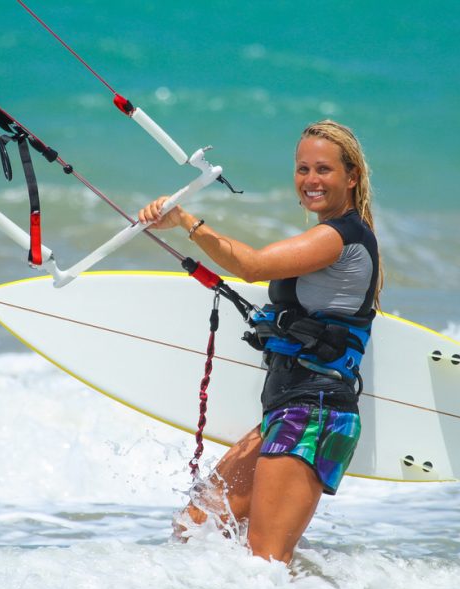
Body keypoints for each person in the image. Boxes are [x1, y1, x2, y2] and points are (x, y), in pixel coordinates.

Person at [137, 120, 382, 565]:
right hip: (287, 407)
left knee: (264, 562)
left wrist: (187, 222)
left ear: (352, 176)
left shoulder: (342, 238)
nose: (310, 180)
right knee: (196, 527)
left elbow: (251, 266)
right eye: (302, 168)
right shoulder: (327, 234)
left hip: (315, 411)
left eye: (323, 170)